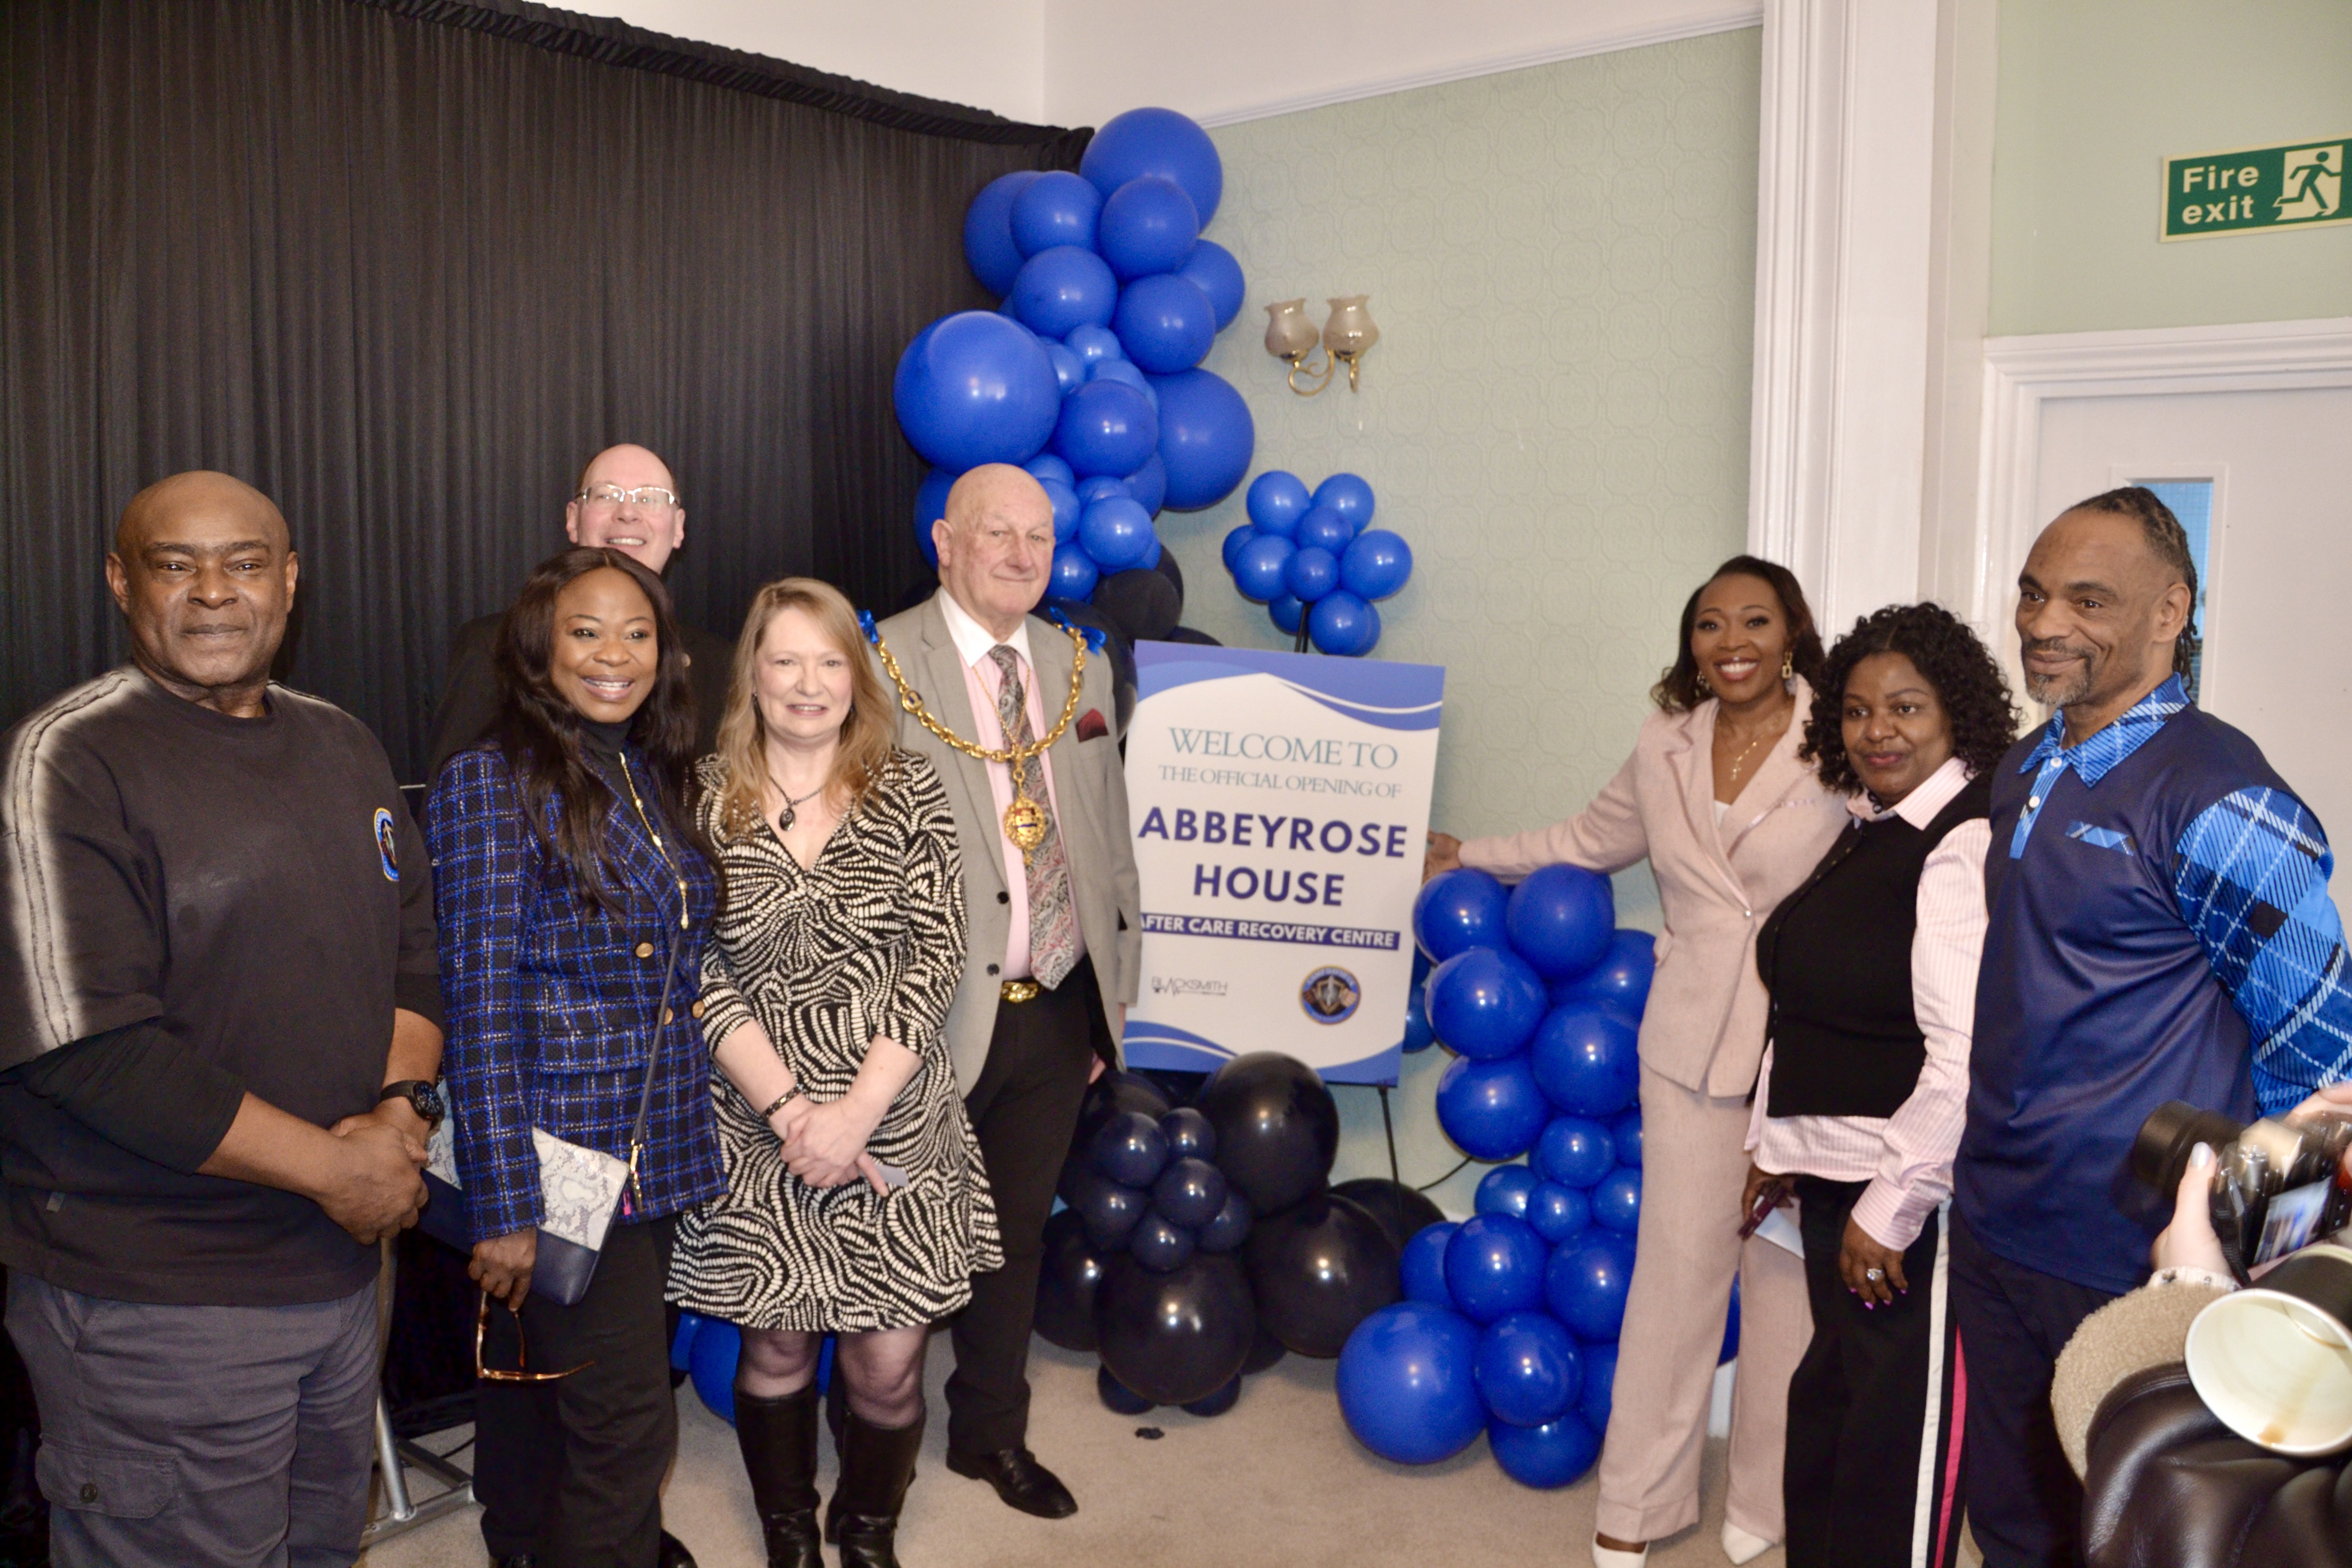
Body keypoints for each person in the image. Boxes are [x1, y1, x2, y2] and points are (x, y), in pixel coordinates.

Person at [0, 471, 440, 1567]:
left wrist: (397, 1115)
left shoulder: (346, 746)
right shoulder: (69, 761)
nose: (212, 593)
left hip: (341, 1280)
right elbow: (93, 1054)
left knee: (319, 1548)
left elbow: (415, 961)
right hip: (160, 1302)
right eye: (174, 564)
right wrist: (340, 1175)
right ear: (119, 582)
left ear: (288, 583)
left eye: (244, 562)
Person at [1952, 485, 2352, 1568]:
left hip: (2136, 1248)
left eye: (2088, 600)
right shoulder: (2026, 769)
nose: (2042, 624)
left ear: (2170, 610)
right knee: (2014, 1523)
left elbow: (2324, 1059)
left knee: (2128, 1536)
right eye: (2034, 594)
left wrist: (2267, 1273)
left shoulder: (2223, 795)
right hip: (1995, 1217)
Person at [1427, 556, 1848, 1568]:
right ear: (1691, 640)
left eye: (1756, 620)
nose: (1733, 641)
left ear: (1792, 632)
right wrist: (1468, 853)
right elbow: (1586, 837)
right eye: (1711, 624)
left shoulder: (1841, 734)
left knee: (1788, 1280)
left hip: (1815, 1045)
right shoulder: (1666, 742)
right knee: (1676, 1275)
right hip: (1689, 1039)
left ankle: (1766, 1503)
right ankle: (1640, 1504)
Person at [669, 577, 1001, 1568]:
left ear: (855, 678)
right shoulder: (699, 797)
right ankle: (787, 1531)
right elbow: (697, 967)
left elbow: (934, 957)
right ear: (752, 677)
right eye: (785, 661)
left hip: (894, 1113)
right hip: (754, 1112)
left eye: (828, 662)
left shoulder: (913, 788)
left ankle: (866, 1530)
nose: (808, 684)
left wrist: (854, 1114)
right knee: (773, 1348)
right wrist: (788, 1111)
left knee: (890, 1360)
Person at [426, 547, 724, 1568]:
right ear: (539, 650)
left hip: (650, 1150)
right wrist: (507, 1202)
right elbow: (477, 1002)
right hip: (558, 1164)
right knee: (627, 1427)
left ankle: (522, 1545)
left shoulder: (647, 769)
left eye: (637, 633)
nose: (615, 654)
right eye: (586, 631)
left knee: (537, 1397)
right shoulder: (488, 781)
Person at [868, 464, 1140, 1520]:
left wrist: (1109, 996)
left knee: (1014, 1240)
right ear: (946, 542)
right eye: (998, 534)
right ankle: (874, 1462)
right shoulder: (882, 659)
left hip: (1057, 1004)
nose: (1024, 554)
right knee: (895, 1246)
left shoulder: (1081, 663)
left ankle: (990, 1437)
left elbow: (1105, 831)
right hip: (925, 1020)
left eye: (1041, 535)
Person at [1742, 603, 2015, 1568]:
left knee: (1898, 1442)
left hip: (1906, 1200)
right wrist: (1770, 1148)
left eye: (1904, 707)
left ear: (1955, 715)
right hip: (1833, 1179)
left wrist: (1890, 1206)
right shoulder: (1869, 828)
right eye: (1856, 712)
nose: (1876, 731)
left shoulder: (1957, 839)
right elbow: (1807, 1004)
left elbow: (1964, 1054)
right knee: (1830, 1412)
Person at [425, 444, 732, 777]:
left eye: (650, 498)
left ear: (679, 527)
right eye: (605, 495)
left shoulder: (720, 664)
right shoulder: (493, 645)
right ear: (573, 519)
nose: (628, 513)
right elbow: (453, 802)